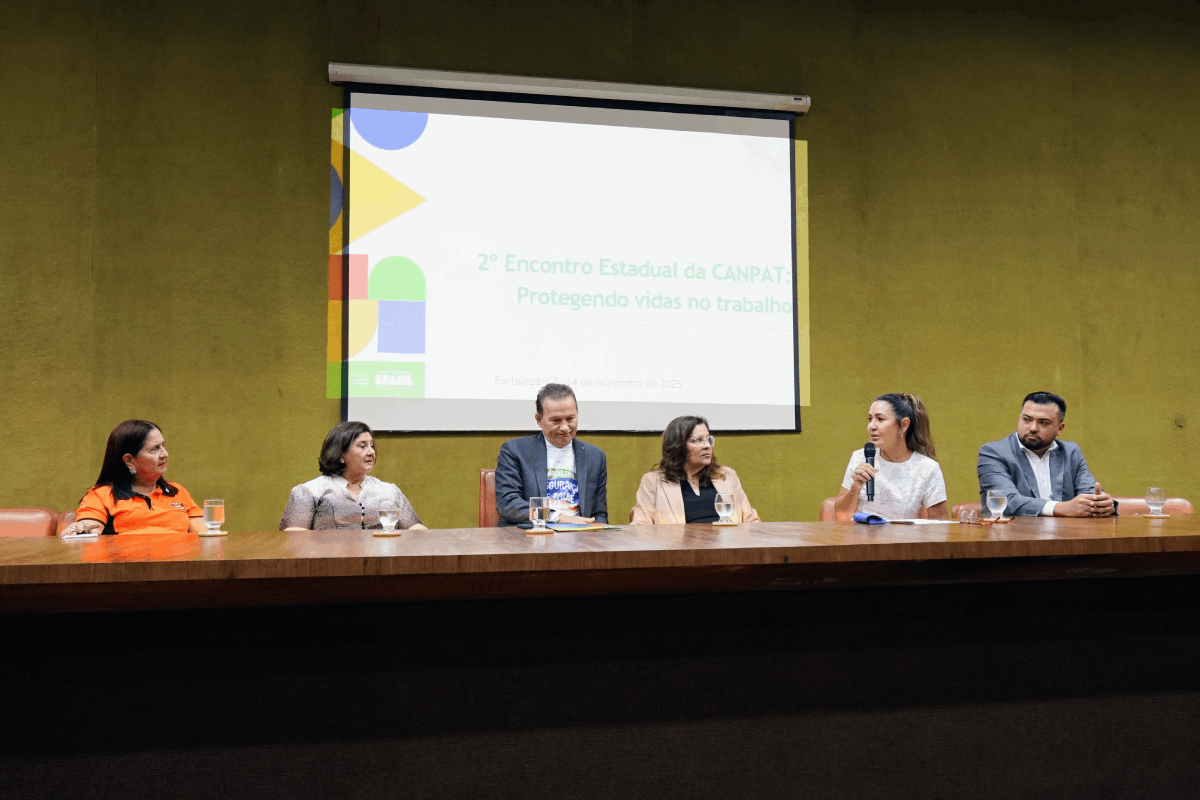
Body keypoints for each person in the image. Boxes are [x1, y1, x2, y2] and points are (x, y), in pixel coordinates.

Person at [977, 391, 1115, 517]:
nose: (1033, 428)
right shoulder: (994, 452)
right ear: (1019, 419)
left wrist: (1101, 504)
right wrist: (1061, 508)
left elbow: (1089, 494)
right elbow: (1006, 501)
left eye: (1043, 423)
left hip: (1066, 533)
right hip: (1012, 534)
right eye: (1027, 419)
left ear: (1060, 428)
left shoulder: (1070, 452)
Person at [62, 419, 204, 535]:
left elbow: (204, 532)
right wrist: (82, 528)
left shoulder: (176, 491)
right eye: (154, 449)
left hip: (178, 560)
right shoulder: (102, 494)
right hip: (126, 561)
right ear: (129, 460)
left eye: (163, 445)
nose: (164, 454)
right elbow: (90, 525)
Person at [494, 383, 608, 525]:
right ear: (539, 420)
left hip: (580, 535)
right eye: (556, 420)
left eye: (570, 419)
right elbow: (508, 503)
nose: (565, 427)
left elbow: (599, 514)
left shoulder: (595, 457)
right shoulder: (515, 451)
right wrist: (558, 518)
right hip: (533, 534)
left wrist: (597, 531)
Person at [280, 421, 427, 531]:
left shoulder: (389, 491)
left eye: (372, 446)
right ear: (340, 454)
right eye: (362, 446)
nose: (371, 452)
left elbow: (415, 529)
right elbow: (293, 535)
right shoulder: (310, 491)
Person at [834, 393, 948, 521]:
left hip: (903, 534)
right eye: (870, 419)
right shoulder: (860, 457)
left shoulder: (928, 468)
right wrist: (855, 487)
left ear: (904, 425)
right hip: (861, 533)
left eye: (880, 419)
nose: (872, 426)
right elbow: (840, 515)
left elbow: (940, 524)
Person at [631, 415, 759, 525]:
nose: (707, 446)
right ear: (679, 446)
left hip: (727, 545)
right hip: (678, 546)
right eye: (698, 440)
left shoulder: (727, 476)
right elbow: (641, 528)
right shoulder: (653, 482)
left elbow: (751, 521)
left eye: (709, 439)